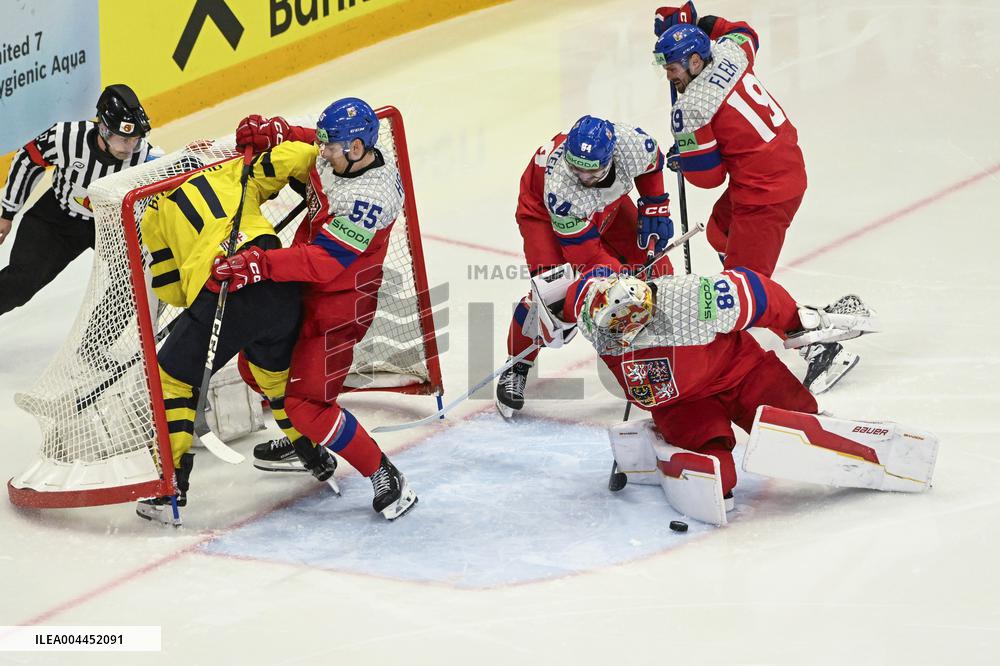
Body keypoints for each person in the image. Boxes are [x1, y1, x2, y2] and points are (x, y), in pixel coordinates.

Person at [211, 98, 418, 521]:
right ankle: (306, 437)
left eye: (332, 145)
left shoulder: (370, 198)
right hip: (307, 292)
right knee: (258, 365)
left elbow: (323, 261)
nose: (323, 152)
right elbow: (313, 146)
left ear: (357, 147)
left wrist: (260, 264)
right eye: (324, 143)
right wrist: (280, 131)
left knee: (306, 403)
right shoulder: (348, 158)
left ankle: (385, 473)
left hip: (338, 311)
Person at [530, 261, 878, 507]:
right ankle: (699, 457)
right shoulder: (594, 303)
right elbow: (545, 300)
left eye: (617, 332)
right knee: (717, 473)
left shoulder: (688, 301)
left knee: (796, 422)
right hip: (681, 404)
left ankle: (837, 439)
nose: (608, 342)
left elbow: (755, 292)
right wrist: (528, 347)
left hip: (739, 373)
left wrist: (795, 323)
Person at [652, 5, 855, 394]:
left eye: (673, 67)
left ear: (695, 61)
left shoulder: (692, 109)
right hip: (781, 166)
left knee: (742, 291)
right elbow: (743, 30)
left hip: (764, 194)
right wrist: (702, 24)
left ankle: (819, 343)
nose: (668, 74)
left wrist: (686, 153)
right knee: (718, 230)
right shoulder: (730, 52)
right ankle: (759, 277)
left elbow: (708, 178)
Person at [134, 141, 330, 526]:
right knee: (275, 380)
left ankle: (170, 486)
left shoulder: (154, 212)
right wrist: (307, 191)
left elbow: (170, 290)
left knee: (171, 379)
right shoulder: (228, 170)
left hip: (224, 295)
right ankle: (310, 452)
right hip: (279, 284)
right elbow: (297, 156)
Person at [495, 114, 675, 419]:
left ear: (610, 157)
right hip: (544, 214)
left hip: (608, 205)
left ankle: (656, 351)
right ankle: (517, 365)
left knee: (657, 269)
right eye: (575, 167)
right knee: (554, 302)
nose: (582, 177)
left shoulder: (632, 145)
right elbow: (589, 259)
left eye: (589, 171)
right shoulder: (563, 190)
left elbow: (652, 163)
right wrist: (621, 285)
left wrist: (654, 205)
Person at [0, 84, 156, 317]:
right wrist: (7, 213)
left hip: (110, 227)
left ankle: (95, 343)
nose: (131, 146)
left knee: (135, 280)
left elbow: (171, 183)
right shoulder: (68, 138)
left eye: (135, 139)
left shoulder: (146, 156)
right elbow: (28, 159)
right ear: (104, 129)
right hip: (57, 218)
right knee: (21, 283)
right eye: (124, 139)